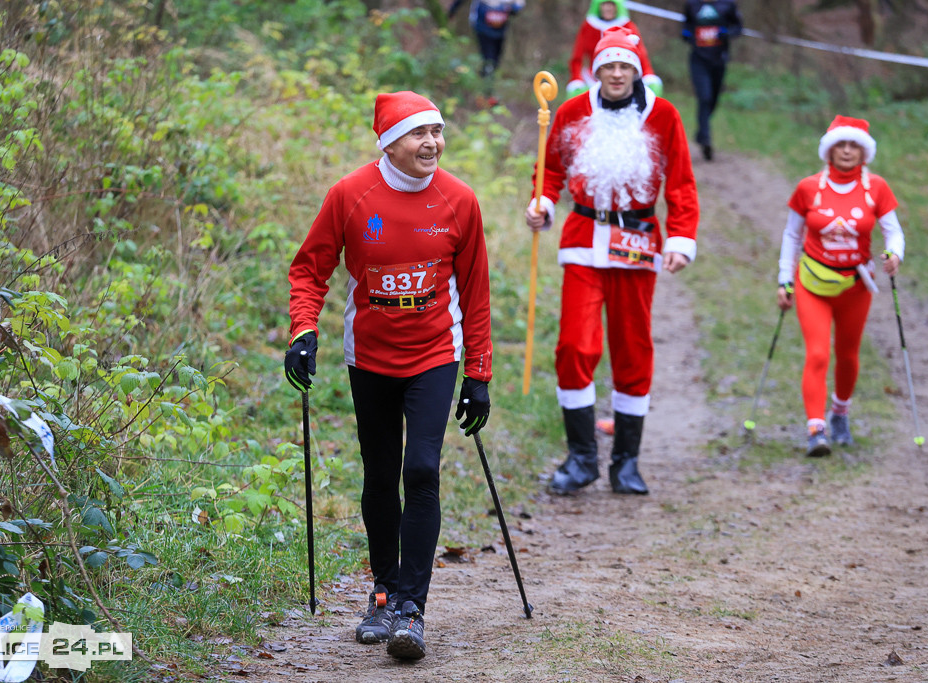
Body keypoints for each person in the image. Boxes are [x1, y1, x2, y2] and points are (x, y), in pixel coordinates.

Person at [284, 91, 493, 660]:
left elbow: (475, 293)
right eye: (417, 133)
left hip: (435, 355)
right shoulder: (351, 196)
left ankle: (410, 608)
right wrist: (304, 331)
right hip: (370, 358)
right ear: (388, 143)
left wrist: (478, 372)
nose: (432, 142)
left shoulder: (459, 201)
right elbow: (309, 270)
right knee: (379, 475)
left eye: (438, 131)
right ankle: (381, 590)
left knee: (420, 469)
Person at [524, 26, 699, 496]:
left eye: (625, 66)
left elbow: (681, 182)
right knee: (575, 347)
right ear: (596, 70)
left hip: (638, 242)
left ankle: (626, 462)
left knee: (633, 347)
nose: (616, 74)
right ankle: (582, 457)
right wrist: (541, 200)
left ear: (638, 71)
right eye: (608, 65)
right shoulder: (572, 110)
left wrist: (681, 238)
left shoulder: (663, 116)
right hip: (583, 239)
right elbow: (551, 167)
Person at [776, 115, 905, 458]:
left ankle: (840, 413)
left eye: (854, 146)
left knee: (847, 355)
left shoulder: (876, 187)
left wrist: (895, 254)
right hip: (812, 282)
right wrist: (784, 280)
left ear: (864, 152)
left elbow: (893, 230)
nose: (847, 151)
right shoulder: (808, 188)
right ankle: (815, 429)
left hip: (855, 285)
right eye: (840, 145)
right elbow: (791, 235)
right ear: (828, 150)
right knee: (818, 353)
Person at [681, 0, 743, 161]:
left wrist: (727, 33)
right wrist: (686, 33)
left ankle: (702, 132)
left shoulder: (727, 5)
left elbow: (738, 28)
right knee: (705, 97)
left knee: (713, 100)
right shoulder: (692, 5)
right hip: (698, 60)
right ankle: (705, 138)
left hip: (719, 60)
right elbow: (686, 25)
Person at [566, 0, 663, 98]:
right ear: (599, 7)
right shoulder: (589, 26)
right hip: (594, 79)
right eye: (605, 4)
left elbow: (641, 55)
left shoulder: (628, 26)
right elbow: (577, 57)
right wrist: (576, 79)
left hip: (623, 79)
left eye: (612, 5)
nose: (608, 8)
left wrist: (648, 75)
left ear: (617, 7)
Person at [448, 0, 525, 82]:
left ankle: (486, 82)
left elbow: (518, 5)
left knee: (495, 60)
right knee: (489, 59)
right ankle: (486, 87)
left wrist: (512, 9)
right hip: (482, 27)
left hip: (500, 30)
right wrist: (452, 11)